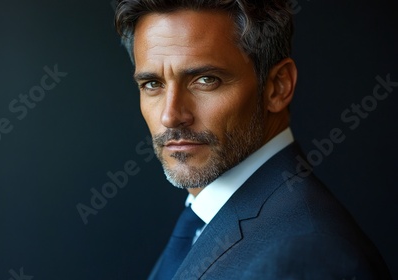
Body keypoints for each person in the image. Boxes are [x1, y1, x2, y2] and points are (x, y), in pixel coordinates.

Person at [114, 0, 391, 279]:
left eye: (206, 80)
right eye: (152, 84)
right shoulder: (205, 220)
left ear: (277, 87)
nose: (170, 116)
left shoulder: (309, 257)